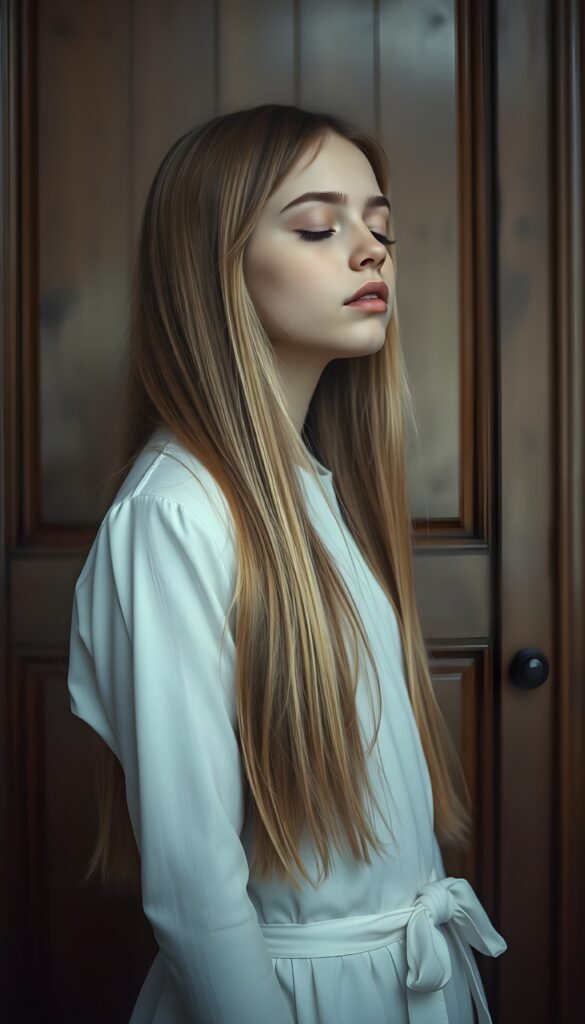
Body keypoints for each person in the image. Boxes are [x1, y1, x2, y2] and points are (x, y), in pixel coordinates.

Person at [66, 103, 507, 1024]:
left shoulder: (317, 491)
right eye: (318, 226)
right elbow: (194, 894)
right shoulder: (174, 513)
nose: (369, 249)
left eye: (377, 226)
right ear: (213, 264)